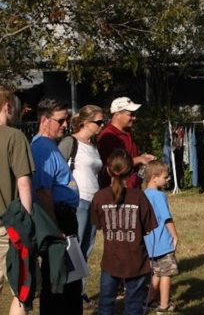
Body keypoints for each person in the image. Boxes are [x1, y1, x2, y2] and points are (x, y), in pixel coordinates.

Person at [30, 98, 83, 313]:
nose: (65, 125)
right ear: (44, 120)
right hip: (57, 219)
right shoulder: (43, 148)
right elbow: (43, 192)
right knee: (59, 279)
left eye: (67, 120)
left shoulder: (48, 146)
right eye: (60, 120)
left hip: (62, 217)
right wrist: (55, 228)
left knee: (69, 278)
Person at [91, 149, 156, 315]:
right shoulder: (139, 197)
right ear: (131, 171)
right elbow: (149, 228)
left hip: (111, 259)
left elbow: (97, 224)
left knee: (105, 305)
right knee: (133, 306)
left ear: (107, 170)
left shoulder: (99, 197)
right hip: (136, 259)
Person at [57, 104, 104, 308]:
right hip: (77, 201)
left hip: (93, 202)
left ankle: (79, 292)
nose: (102, 125)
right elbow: (57, 169)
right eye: (99, 122)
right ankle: (69, 291)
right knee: (73, 248)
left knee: (87, 248)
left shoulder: (93, 145)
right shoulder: (70, 142)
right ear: (85, 122)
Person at [0, 86, 34, 315]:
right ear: (7, 106)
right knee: (20, 290)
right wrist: (28, 221)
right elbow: (23, 182)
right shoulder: (14, 136)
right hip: (8, 226)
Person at [97, 97, 156, 189]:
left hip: (132, 188)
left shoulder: (127, 133)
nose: (134, 117)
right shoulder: (108, 136)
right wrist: (140, 159)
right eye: (131, 114)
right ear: (117, 115)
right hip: (118, 191)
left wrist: (142, 158)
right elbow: (112, 166)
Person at [143, 161, 179, 313]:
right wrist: (175, 235)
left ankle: (148, 300)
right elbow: (166, 217)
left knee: (156, 273)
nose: (167, 180)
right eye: (165, 177)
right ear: (154, 177)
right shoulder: (159, 195)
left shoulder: (141, 195)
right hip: (163, 241)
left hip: (148, 242)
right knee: (166, 273)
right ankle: (164, 305)